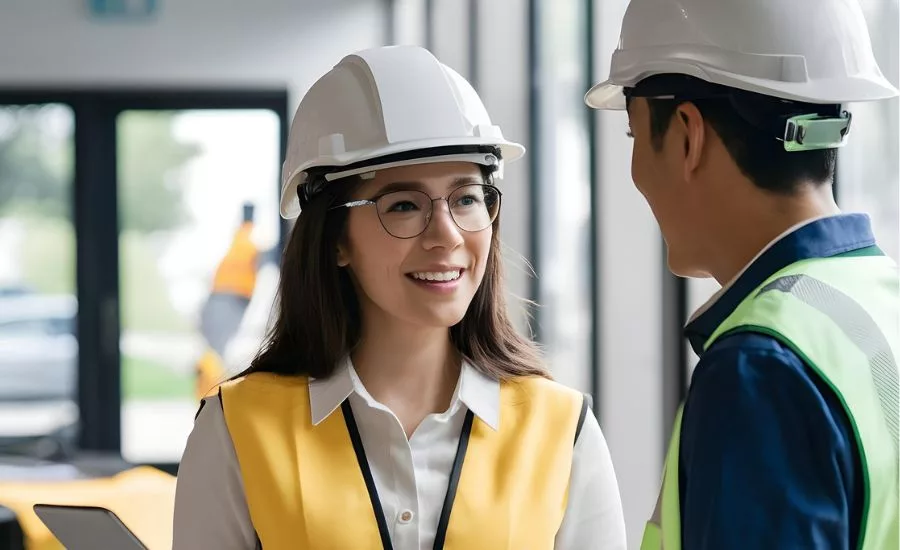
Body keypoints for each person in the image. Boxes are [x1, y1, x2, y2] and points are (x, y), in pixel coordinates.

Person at [173, 45, 627, 550]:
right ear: (336, 238)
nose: (447, 235)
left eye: (467, 199)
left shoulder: (561, 429)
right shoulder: (237, 429)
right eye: (405, 205)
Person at [584, 0, 899, 549]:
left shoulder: (762, 369)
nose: (635, 173)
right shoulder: (880, 301)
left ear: (686, 134)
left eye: (634, 137)